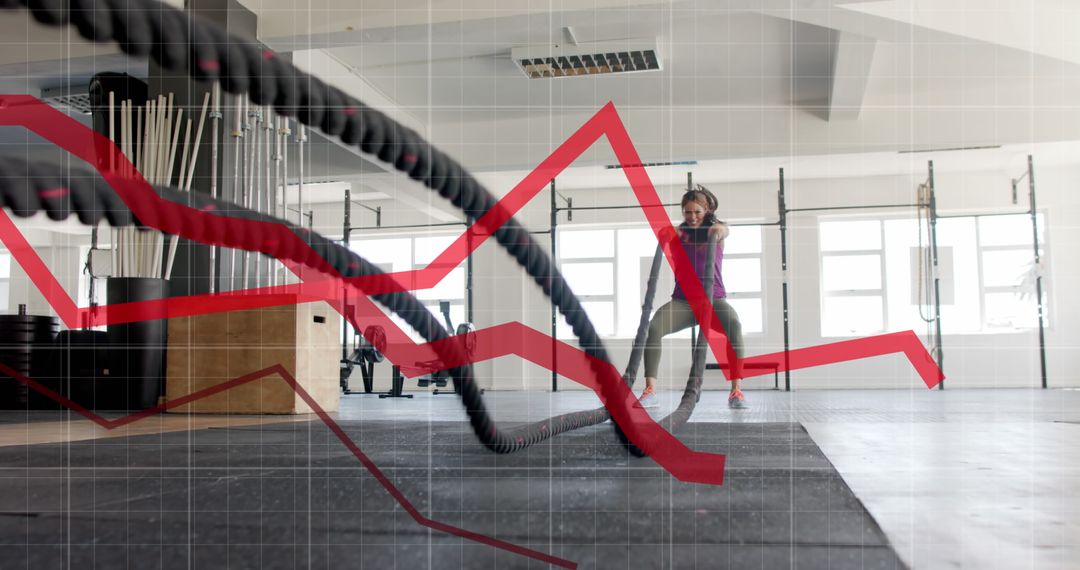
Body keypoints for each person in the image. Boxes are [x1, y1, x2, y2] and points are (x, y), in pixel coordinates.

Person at [637, 185, 747, 410]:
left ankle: (736, 392)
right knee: (654, 327)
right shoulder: (678, 233)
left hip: (714, 300)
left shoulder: (716, 230)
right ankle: (650, 391)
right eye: (688, 212)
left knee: (734, 325)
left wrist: (718, 230)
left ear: (706, 210)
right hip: (683, 302)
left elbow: (724, 230)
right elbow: (668, 233)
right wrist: (666, 233)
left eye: (697, 211)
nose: (692, 216)